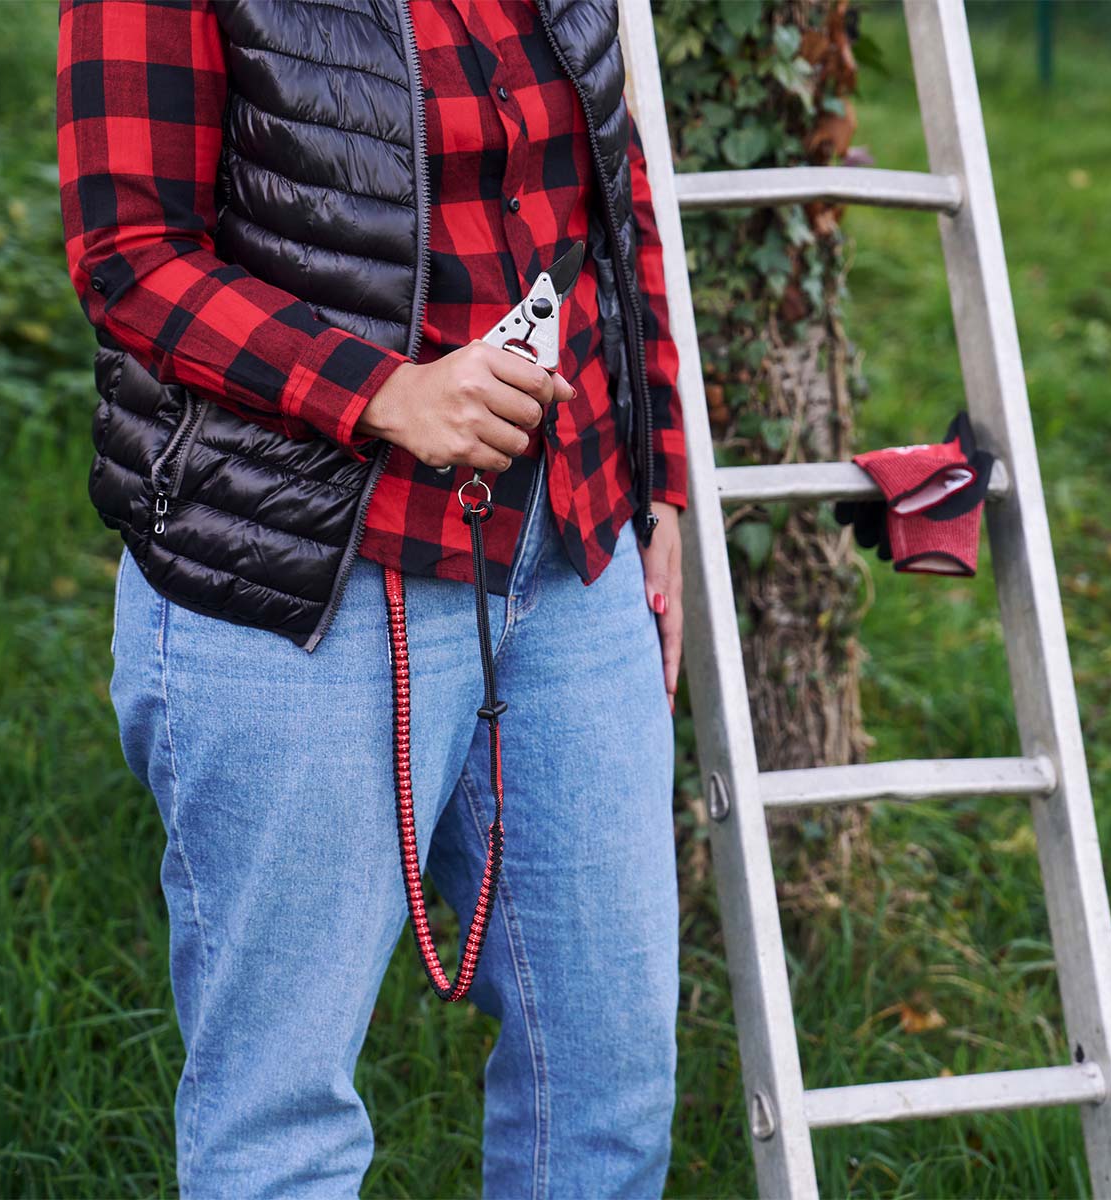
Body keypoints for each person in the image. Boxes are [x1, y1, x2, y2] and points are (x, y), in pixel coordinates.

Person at [56, 1, 688, 1196]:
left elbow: (616, 193)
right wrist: (386, 393)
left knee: (609, 1088)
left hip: (566, 560)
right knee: (282, 1128)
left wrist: (662, 482)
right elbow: (130, 254)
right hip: (294, 580)